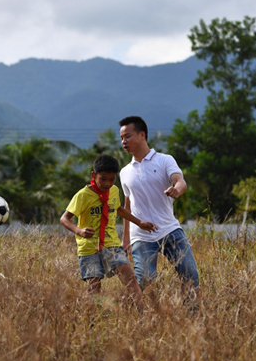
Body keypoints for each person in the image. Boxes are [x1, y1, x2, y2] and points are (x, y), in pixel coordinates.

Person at [118, 115, 200, 304]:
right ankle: (140, 319)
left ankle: (193, 317)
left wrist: (176, 190)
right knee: (145, 280)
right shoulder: (124, 172)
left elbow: (180, 181)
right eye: (121, 138)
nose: (124, 142)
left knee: (190, 275)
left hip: (170, 230)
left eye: (128, 136)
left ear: (142, 135)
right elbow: (127, 205)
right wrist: (126, 237)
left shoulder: (164, 160)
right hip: (142, 236)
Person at [60, 154, 156, 310]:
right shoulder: (83, 195)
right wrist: (79, 230)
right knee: (94, 288)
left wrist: (139, 222)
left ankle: (143, 313)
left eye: (111, 180)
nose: (107, 183)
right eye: (103, 179)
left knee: (129, 276)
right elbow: (64, 219)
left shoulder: (114, 191)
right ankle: (92, 321)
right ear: (94, 175)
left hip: (111, 243)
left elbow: (118, 209)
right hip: (89, 248)